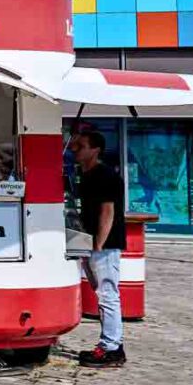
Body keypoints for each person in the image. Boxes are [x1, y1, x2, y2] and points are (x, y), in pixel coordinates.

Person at [72, 126, 126, 366]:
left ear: (95, 149)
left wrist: (97, 245)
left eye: (81, 146)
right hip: (91, 242)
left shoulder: (105, 175)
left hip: (105, 244)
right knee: (102, 293)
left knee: (107, 294)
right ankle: (110, 343)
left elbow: (108, 212)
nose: (76, 150)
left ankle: (111, 347)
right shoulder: (86, 174)